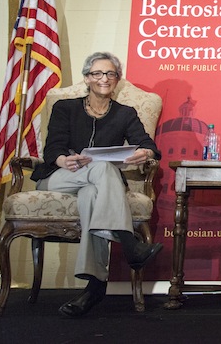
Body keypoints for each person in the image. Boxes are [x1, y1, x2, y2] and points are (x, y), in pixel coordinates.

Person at [30, 52, 163, 317]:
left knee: (92, 193)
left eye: (110, 74)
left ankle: (94, 287)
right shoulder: (65, 107)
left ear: (117, 79)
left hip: (96, 184)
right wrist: (62, 160)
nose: (104, 79)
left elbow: (149, 146)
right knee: (102, 168)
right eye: (98, 74)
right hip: (61, 178)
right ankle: (129, 244)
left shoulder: (125, 114)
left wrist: (144, 154)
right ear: (87, 78)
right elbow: (52, 147)